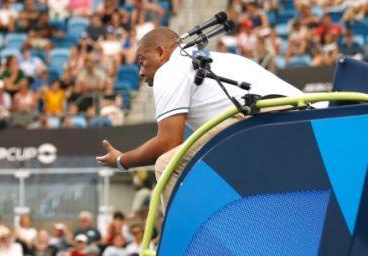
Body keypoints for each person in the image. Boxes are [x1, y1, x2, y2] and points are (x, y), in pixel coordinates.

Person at [96, 27, 304, 211]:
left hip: (267, 116)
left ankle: (180, 247)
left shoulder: (169, 69)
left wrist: (122, 161)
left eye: (142, 62)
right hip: (302, 114)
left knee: (168, 165)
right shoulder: (219, 58)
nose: (141, 72)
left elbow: (168, 142)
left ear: (160, 52)